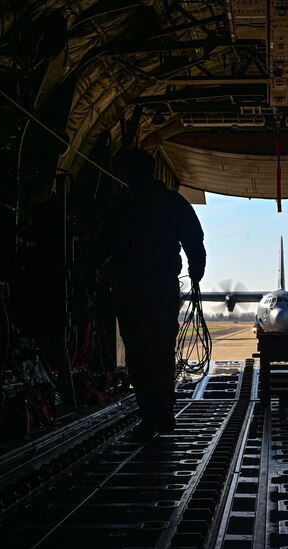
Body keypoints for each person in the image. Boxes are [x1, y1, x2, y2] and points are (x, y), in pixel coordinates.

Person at [93, 148, 205, 438]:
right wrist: (196, 273)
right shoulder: (172, 203)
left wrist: (90, 271)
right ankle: (162, 414)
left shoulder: (121, 205)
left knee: (140, 355)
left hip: (132, 289)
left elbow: (100, 246)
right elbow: (194, 239)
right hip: (160, 288)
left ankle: (152, 415)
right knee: (159, 352)